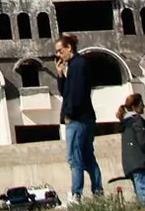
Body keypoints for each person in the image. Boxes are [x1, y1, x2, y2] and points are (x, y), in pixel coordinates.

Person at [55, 35, 103, 200]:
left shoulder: (78, 65)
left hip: (78, 120)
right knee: (88, 158)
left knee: (75, 159)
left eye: (60, 51)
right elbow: (65, 93)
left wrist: (69, 115)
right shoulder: (74, 66)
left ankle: (77, 194)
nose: (59, 55)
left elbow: (77, 94)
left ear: (69, 48)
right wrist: (60, 75)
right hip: (84, 118)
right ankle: (98, 192)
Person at [118, 92, 145, 207]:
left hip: (130, 165)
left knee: (141, 196)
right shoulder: (137, 121)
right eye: (141, 104)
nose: (144, 106)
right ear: (134, 106)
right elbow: (144, 142)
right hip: (140, 163)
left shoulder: (126, 123)